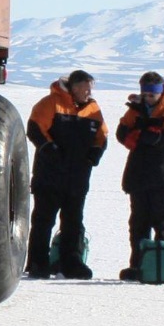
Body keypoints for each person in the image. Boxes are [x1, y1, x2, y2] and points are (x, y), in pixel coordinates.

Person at [26, 70, 106, 279]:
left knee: (73, 221)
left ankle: (71, 263)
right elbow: (34, 128)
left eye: (91, 87)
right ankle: (38, 262)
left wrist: (95, 153)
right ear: (74, 87)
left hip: (78, 177)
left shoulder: (93, 109)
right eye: (85, 87)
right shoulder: (51, 103)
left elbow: (101, 136)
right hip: (50, 175)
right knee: (44, 220)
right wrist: (49, 149)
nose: (89, 91)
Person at [116, 71, 164, 279]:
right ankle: (139, 266)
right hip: (138, 176)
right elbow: (122, 134)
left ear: (161, 92)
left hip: (163, 177)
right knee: (138, 224)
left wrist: (143, 134)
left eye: (151, 95)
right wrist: (148, 132)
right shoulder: (136, 110)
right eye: (145, 94)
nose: (147, 98)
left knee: (163, 223)